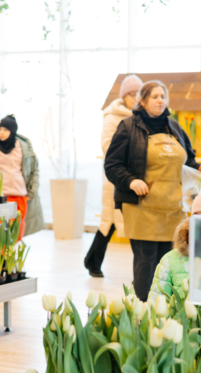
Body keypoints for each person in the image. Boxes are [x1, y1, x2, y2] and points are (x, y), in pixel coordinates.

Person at [104, 80, 201, 302]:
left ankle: (165, 311)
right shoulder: (128, 127)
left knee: (169, 262)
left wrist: (198, 169)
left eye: (163, 96)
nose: (161, 100)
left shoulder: (174, 127)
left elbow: (190, 159)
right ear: (143, 100)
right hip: (142, 209)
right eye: (155, 96)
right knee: (146, 264)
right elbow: (112, 165)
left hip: (174, 210)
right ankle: (142, 312)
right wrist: (130, 181)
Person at [83, 74, 142, 278]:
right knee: (110, 219)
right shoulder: (113, 116)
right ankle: (93, 262)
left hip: (136, 178)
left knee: (124, 221)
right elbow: (107, 144)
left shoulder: (142, 117)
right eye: (131, 94)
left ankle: (92, 261)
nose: (135, 98)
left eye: (138, 94)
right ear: (124, 96)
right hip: (116, 176)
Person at [0, 115, 44, 238]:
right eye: (0, 129)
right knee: (1, 232)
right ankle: (3, 256)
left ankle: (10, 255)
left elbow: (34, 170)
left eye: (5, 130)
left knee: (17, 231)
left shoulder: (23, 147)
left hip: (19, 195)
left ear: (12, 131)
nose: (1, 133)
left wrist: (32, 191)